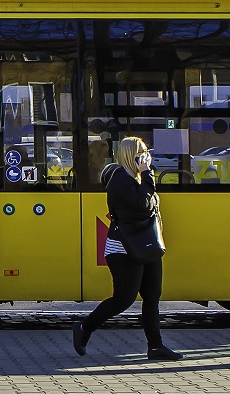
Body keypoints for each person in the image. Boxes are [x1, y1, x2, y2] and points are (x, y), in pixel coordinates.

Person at [73, 136, 179, 361]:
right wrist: (148, 174)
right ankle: (84, 328)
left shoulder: (136, 178)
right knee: (124, 298)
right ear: (131, 155)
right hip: (123, 248)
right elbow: (144, 203)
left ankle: (155, 346)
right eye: (141, 152)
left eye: (146, 152)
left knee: (152, 295)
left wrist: (145, 175)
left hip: (145, 244)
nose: (146, 157)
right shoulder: (120, 180)